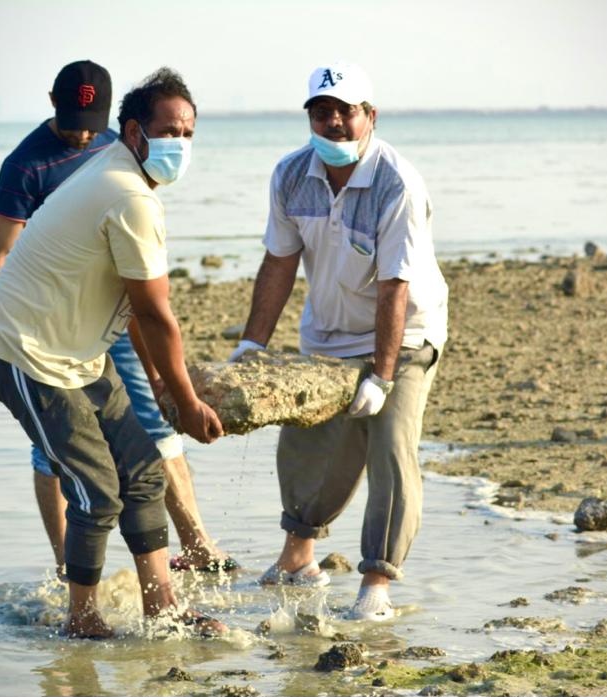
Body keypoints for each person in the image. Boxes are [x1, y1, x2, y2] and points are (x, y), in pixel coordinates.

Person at [0, 67, 225, 638]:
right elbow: (157, 313)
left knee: (142, 469)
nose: (179, 144)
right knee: (97, 490)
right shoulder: (128, 195)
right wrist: (186, 402)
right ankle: (81, 621)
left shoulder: (120, 173)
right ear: (133, 132)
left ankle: (162, 608)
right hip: (24, 353)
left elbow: (134, 304)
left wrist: (160, 384)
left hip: (78, 353)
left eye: (188, 133)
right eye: (168, 131)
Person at [230, 61, 448, 621]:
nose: (332, 122)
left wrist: (382, 376)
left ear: (370, 116)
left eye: (345, 112)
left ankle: (376, 584)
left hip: (404, 334)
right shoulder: (290, 174)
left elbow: (395, 284)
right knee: (306, 443)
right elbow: (279, 262)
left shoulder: (397, 182)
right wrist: (252, 345)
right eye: (320, 112)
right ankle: (298, 559)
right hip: (326, 334)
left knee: (389, 447)